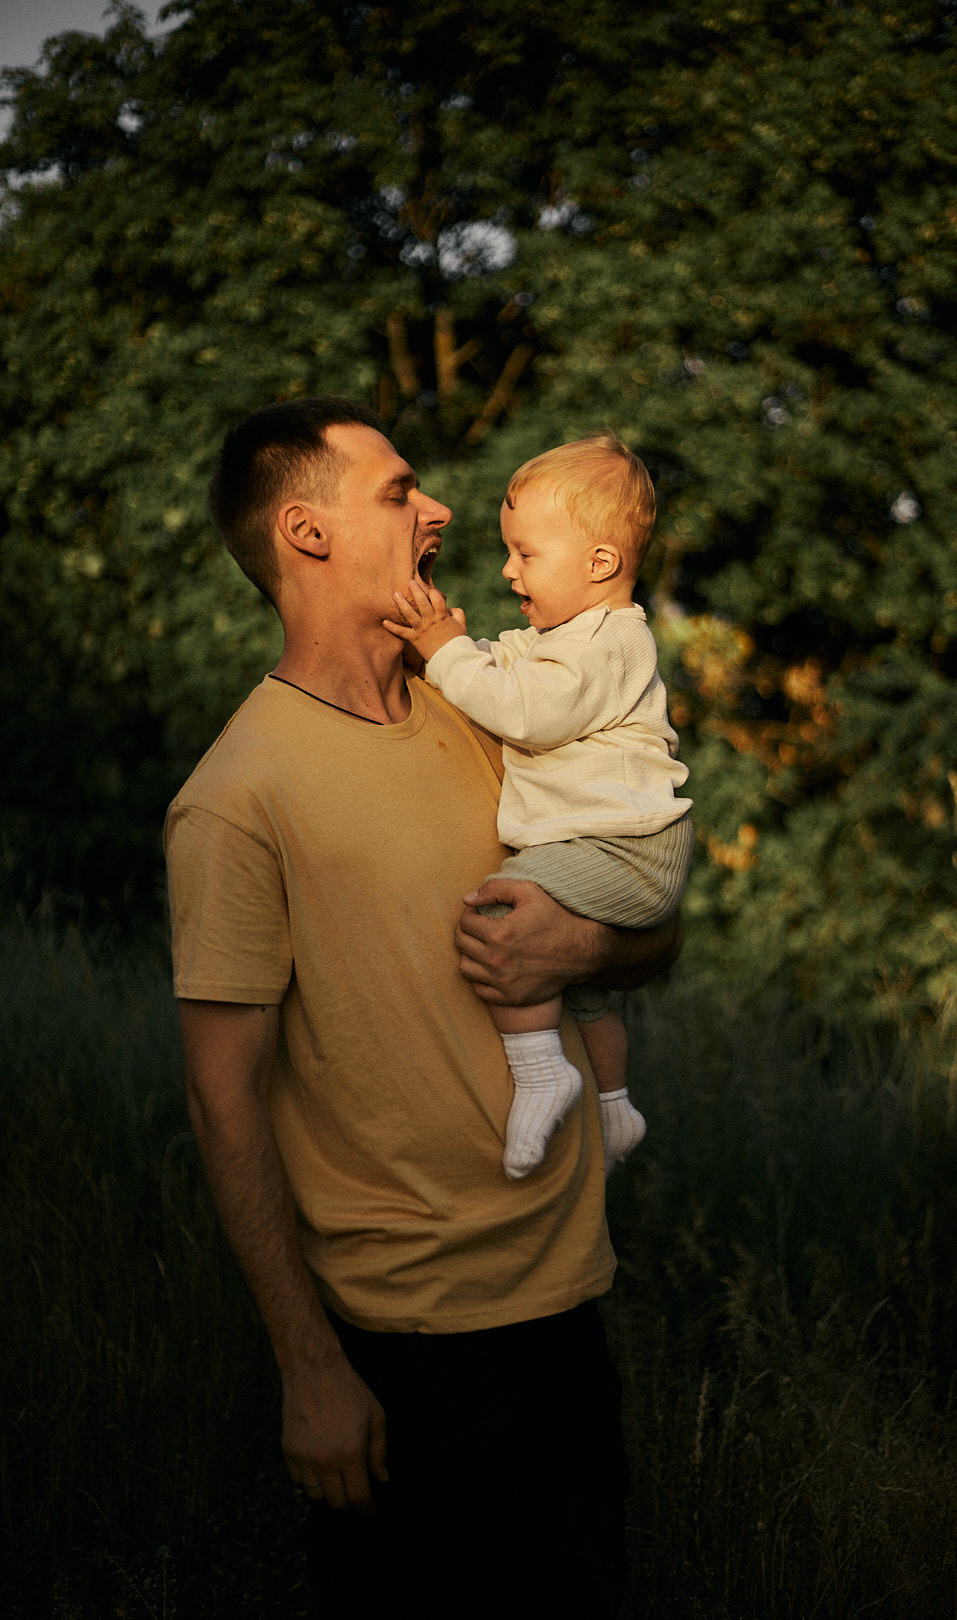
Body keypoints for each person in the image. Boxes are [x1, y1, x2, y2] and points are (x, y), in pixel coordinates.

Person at [165, 397, 682, 1619]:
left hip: (566, 1306)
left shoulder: (493, 704)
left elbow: (649, 927)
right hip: (396, 1350)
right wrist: (308, 1369)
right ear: (307, 532)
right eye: (400, 492)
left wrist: (593, 937)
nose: (440, 508)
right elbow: (221, 1096)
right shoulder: (236, 795)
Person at [383, 433, 692, 1181]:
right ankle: (615, 1107)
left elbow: (528, 712)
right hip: (613, 842)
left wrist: (445, 654)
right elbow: (507, 668)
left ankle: (541, 1072)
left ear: (601, 564)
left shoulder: (612, 645)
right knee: (584, 992)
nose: (507, 569)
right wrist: (455, 648)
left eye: (526, 554)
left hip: (625, 847)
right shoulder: (572, 638)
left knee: (503, 912)